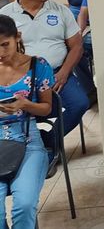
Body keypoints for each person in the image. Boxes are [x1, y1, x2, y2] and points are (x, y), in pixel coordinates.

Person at [0, 0, 89, 137]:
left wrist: (64, 72)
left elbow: (77, 46)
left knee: (79, 104)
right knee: (14, 109)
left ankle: (48, 143)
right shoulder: (5, 15)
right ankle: (22, 141)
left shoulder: (60, 10)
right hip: (20, 76)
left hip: (57, 74)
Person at [0, 15, 54, 229]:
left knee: (24, 205)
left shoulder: (37, 66)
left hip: (28, 140)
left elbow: (47, 108)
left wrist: (25, 104)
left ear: (17, 37)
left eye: (5, 44)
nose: (1, 52)